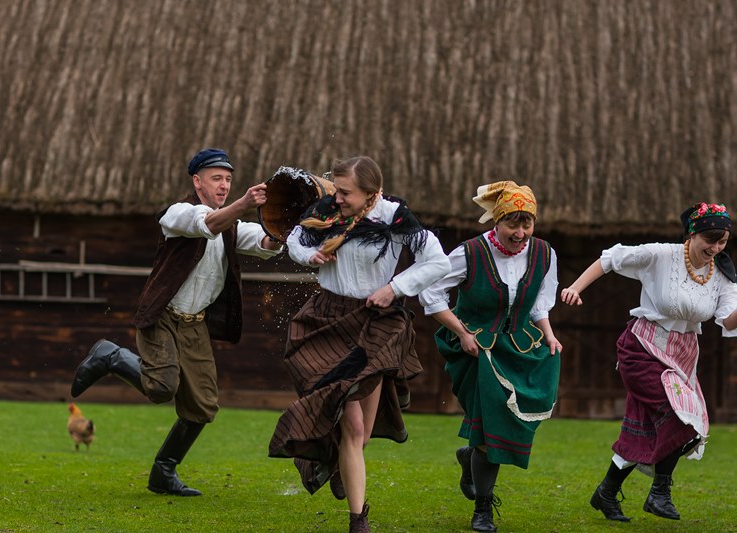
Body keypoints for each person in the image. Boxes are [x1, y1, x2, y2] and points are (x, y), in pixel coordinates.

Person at [70, 148, 284, 496]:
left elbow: (264, 242)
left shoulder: (231, 227)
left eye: (228, 179)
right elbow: (207, 224)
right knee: (162, 387)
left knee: (202, 406)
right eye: (216, 178)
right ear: (197, 181)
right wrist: (245, 203)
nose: (224, 185)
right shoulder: (178, 213)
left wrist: (284, 225)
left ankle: (163, 472)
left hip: (194, 325)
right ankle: (112, 356)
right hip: (162, 316)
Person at [268, 156, 450, 533]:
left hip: (375, 323)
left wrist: (394, 288)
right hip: (327, 321)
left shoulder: (395, 217)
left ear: (372, 193)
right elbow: (295, 241)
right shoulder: (325, 210)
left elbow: (437, 262)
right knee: (352, 427)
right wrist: (312, 255)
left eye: (346, 192)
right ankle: (358, 520)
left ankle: (333, 462)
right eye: (337, 190)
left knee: (362, 435)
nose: (337, 198)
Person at [561, 202, 737, 522]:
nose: (716, 248)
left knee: (643, 430)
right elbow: (610, 258)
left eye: (722, 241)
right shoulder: (662, 254)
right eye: (710, 240)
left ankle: (606, 493)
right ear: (691, 234)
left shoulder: (722, 276)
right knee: (682, 417)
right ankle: (660, 493)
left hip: (683, 357)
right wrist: (575, 287)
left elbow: (727, 322)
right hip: (642, 349)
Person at [418, 181, 562, 533]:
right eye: (512, 223)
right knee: (490, 426)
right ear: (497, 221)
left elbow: (539, 304)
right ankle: (482, 510)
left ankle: (471, 456)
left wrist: (548, 333)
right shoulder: (469, 253)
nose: (520, 233)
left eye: (527, 224)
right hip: (473, 348)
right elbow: (431, 293)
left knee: (505, 422)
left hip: (518, 347)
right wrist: (462, 333)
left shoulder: (544, 254)